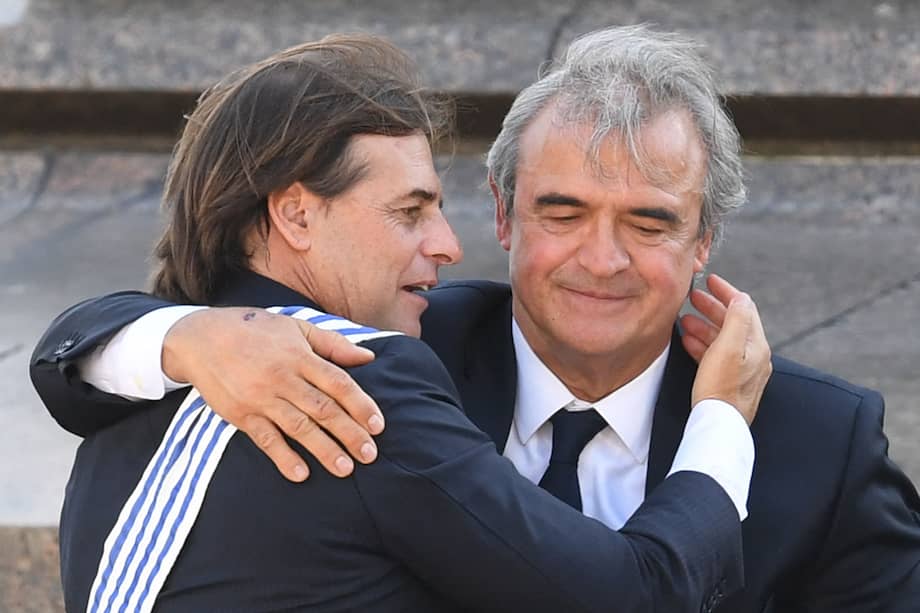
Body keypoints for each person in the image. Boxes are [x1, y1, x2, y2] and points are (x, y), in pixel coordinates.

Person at [31, 32, 775, 613]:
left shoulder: (132, 385)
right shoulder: (362, 379)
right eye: (409, 211)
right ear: (296, 213)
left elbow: (72, 352)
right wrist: (721, 419)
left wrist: (173, 336)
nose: (448, 244)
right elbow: (636, 594)